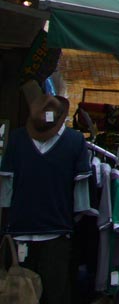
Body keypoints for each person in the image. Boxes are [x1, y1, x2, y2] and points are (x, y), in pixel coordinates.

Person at [0, 80, 92, 304]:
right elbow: (6, 190)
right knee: (19, 295)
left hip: (57, 233)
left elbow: (82, 197)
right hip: (21, 232)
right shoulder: (18, 140)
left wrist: (75, 223)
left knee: (54, 294)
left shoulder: (74, 141)